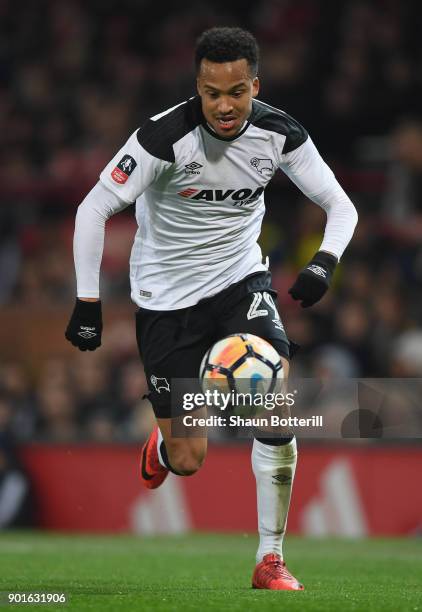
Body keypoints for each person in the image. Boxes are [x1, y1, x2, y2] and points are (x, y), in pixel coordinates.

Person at [65, 27, 358, 591]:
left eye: (237, 92)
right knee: (190, 457)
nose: (224, 106)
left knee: (272, 403)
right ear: (197, 88)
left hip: (239, 282)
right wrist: (87, 301)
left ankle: (269, 558)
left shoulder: (280, 133)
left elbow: (340, 207)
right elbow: (93, 206)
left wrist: (324, 262)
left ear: (254, 85)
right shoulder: (162, 137)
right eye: (211, 93)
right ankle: (166, 443)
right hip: (166, 302)